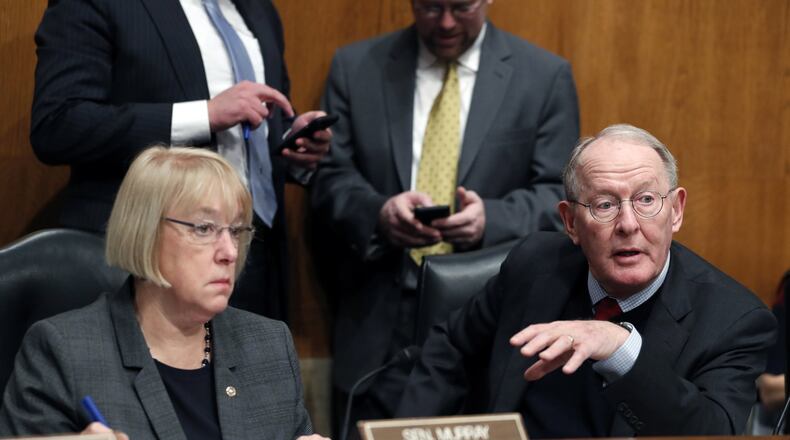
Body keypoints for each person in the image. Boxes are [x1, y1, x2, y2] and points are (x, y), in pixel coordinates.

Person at [395, 124, 776, 437]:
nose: (628, 225)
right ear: (571, 222)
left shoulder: (733, 319)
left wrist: (621, 350)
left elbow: (712, 432)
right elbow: (450, 348)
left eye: (646, 200)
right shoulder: (534, 265)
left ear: (675, 211)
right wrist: (408, 433)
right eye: (605, 205)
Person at [310, 0, 579, 428]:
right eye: (431, 7)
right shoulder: (356, 67)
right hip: (380, 320)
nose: (447, 22)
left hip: (489, 317)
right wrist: (380, 214)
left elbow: (560, 194)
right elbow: (329, 177)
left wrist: (491, 220)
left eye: (461, 6)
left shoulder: (543, 76)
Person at [30, 0, 331, 321]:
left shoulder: (260, 10)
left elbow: (259, 127)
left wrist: (294, 142)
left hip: (255, 253)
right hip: (149, 262)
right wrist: (206, 115)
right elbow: (58, 124)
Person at [0, 147, 326, 440]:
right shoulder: (64, 351)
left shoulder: (269, 344)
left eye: (237, 230)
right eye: (204, 228)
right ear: (145, 231)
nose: (229, 252)